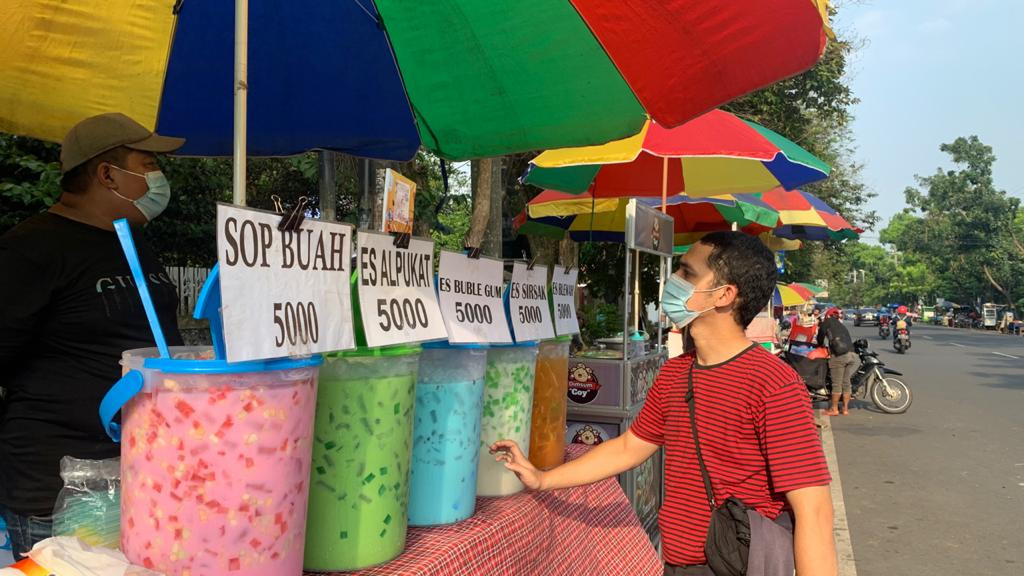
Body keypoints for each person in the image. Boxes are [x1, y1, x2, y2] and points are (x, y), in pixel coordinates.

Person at [491, 232, 837, 576]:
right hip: (677, 564)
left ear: (724, 294)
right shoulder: (676, 372)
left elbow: (813, 511)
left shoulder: (772, 383)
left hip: (737, 562)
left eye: (687, 273)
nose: (672, 281)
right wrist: (543, 479)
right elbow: (629, 447)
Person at [0, 113, 185, 556]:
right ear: (107, 174)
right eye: (148, 163)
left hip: (142, 470)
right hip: (60, 485)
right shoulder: (29, 249)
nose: (159, 176)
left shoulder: (136, 244)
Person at [817, 307, 857, 416]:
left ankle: (834, 409)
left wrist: (819, 345)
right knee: (846, 383)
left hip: (839, 355)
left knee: (837, 384)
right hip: (851, 355)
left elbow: (820, 337)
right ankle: (845, 409)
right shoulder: (841, 324)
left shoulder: (827, 322)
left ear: (827, 315)